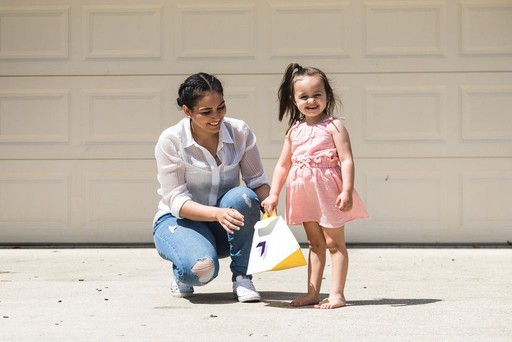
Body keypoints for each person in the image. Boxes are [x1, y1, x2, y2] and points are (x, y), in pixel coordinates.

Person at [153, 72, 270, 302]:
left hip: (223, 225)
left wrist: (272, 207)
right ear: (187, 111)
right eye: (206, 112)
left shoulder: (239, 132)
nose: (216, 117)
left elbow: (256, 182)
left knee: (244, 198)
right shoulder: (171, 140)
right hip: (178, 221)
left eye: (221, 108)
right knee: (201, 271)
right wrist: (217, 214)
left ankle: (243, 278)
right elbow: (176, 201)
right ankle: (182, 269)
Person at [261, 63, 368, 309]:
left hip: (329, 191)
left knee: (334, 243)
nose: (311, 101)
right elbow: (282, 165)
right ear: (294, 99)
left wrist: (347, 190)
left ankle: (338, 294)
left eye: (317, 94)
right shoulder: (294, 131)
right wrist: (274, 194)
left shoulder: (334, 126)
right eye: (304, 96)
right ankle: (312, 293)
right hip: (304, 192)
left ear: (327, 95)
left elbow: (347, 159)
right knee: (315, 244)